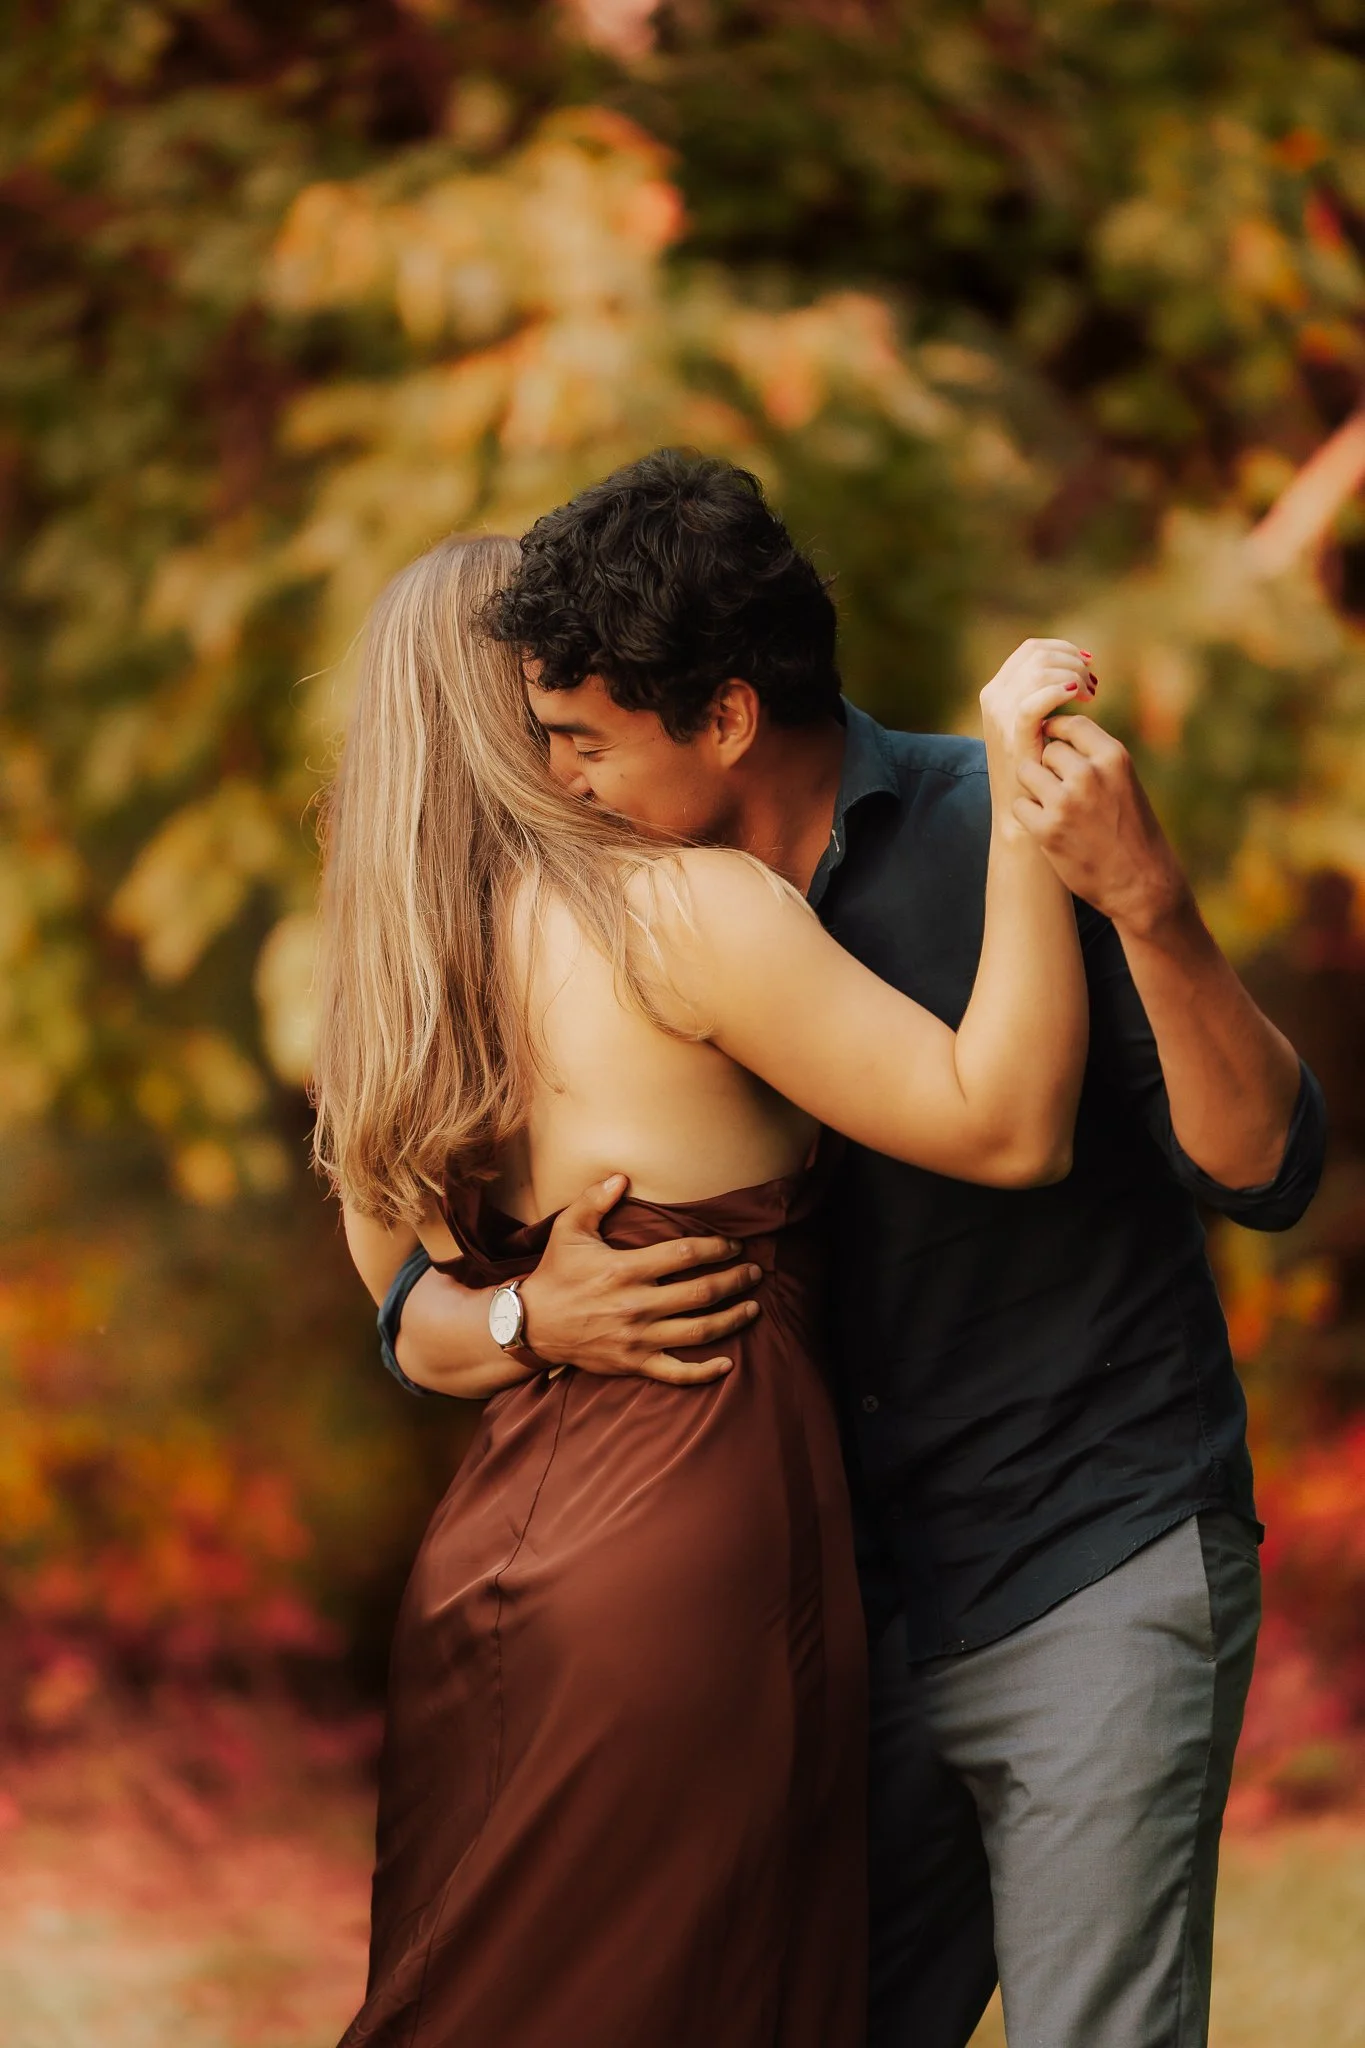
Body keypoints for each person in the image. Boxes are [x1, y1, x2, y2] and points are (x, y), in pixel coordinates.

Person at [385, 453, 1327, 2048]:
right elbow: (411, 1281)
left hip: (1086, 1553)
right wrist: (536, 1314)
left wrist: (1152, 906)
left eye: (588, 743)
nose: (560, 785)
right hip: (843, 1614)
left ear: (725, 718)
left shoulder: (992, 831)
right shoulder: (623, 936)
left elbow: (1267, 1167)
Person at [316, 528, 1093, 2048]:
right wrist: (1020, 811)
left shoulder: (394, 993)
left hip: (489, 1568)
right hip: (689, 1548)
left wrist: (525, 1317)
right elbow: (1007, 1126)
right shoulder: (674, 914)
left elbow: (405, 1318)